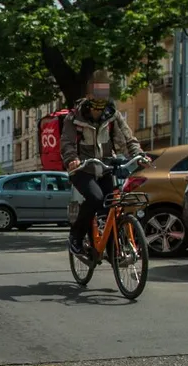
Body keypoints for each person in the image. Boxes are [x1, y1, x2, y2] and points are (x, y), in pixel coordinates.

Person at [61, 74, 146, 256]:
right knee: (96, 198)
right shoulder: (73, 117)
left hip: (106, 167)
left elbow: (128, 137)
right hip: (82, 169)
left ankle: (111, 248)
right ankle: (75, 236)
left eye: (104, 94)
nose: (100, 100)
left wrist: (138, 154)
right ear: (89, 95)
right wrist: (71, 160)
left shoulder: (113, 115)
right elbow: (67, 143)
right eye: (96, 94)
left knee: (112, 204)